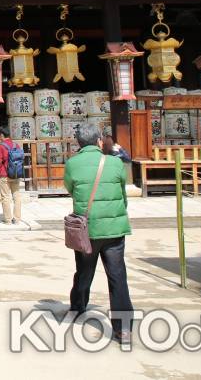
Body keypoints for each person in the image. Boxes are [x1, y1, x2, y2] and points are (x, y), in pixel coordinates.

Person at [65, 123, 134, 343]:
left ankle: (77, 306)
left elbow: (70, 189)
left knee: (84, 270)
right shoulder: (114, 163)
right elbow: (123, 193)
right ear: (99, 141)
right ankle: (123, 329)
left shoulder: (73, 164)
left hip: (88, 228)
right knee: (117, 276)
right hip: (114, 229)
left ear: (79, 143)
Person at [0, 128, 23, 224]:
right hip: (15, 174)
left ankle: (8, 220)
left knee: (5, 197)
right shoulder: (16, 145)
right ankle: (17, 219)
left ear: (1, 135)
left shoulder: (1, 146)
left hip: (4, 175)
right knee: (17, 196)